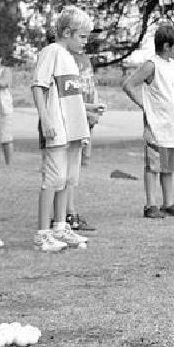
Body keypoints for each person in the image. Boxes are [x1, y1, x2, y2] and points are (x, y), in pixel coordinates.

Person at [30, 6, 94, 251]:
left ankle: (60, 227)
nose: (85, 42)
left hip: (74, 130)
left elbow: (67, 96)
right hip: (57, 129)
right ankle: (43, 232)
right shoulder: (52, 52)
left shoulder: (70, 58)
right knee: (53, 179)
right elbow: (39, 86)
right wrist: (45, 119)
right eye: (82, 36)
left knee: (68, 179)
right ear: (67, 32)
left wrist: (87, 109)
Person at [122, 24, 174, 219]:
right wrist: (145, 105)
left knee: (168, 166)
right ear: (167, 46)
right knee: (153, 166)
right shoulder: (152, 65)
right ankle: (150, 204)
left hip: (172, 126)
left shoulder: (173, 65)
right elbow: (129, 85)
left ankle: (168, 203)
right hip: (156, 126)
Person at [67, 47, 105, 231]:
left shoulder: (84, 59)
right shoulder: (65, 58)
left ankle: (68, 213)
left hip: (86, 116)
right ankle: (67, 214)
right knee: (68, 168)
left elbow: (91, 86)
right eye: (81, 36)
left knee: (76, 165)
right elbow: (68, 96)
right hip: (73, 117)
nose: (84, 41)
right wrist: (89, 107)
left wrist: (93, 108)